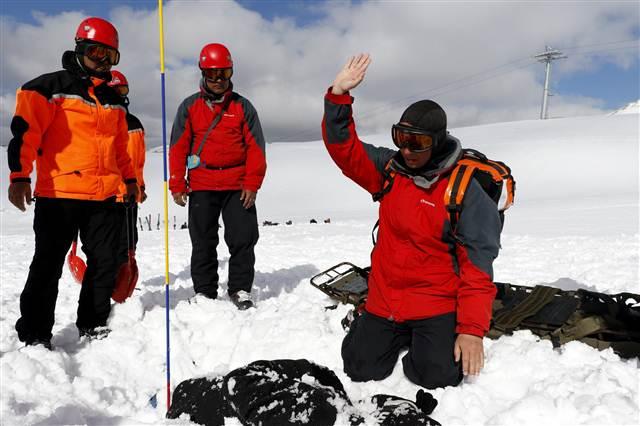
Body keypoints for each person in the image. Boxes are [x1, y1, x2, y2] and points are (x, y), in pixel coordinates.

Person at [322, 54, 501, 388]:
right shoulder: (390, 171)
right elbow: (345, 151)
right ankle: (368, 328)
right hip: (385, 297)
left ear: (436, 141)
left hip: (435, 300)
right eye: (400, 138)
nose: (406, 149)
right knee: (359, 367)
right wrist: (338, 97)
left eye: (417, 142)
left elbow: (477, 267)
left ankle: (424, 343)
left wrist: (471, 331)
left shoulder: (463, 189)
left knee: (438, 376)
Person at [7, 17, 138, 348]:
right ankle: (35, 333)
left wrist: (131, 181)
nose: (104, 61)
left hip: (105, 195)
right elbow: (26, 133)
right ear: (79, 48)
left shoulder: (113, 101)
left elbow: (120, 150)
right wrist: (20, 175)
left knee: (105, 262)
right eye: (97, 52)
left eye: (112, 56)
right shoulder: (47, 88)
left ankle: (93, 324)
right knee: (48, 265)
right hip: (59, 192)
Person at [169, 43, 266, 310]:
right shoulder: (189, 107)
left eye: (223, 73)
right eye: (212, 74)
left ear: (230, 72)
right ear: (203, 73)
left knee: (244, 238)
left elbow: (256, 148)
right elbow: (178, 147)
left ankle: (240, 289)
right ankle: (204, 291)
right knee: (202, 240)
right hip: (202, 184)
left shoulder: (243, 107)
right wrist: (177, 183)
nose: (218, 80)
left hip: (238, 185)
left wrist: (252, 183)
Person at [108, 70, 147, 270]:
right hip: (107, 196)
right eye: (113, 91)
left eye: (122, 90)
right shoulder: (103, 123)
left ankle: (123, 278)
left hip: (130, 194)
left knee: (129, 240)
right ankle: (108, 279)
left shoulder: (135, 124)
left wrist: (141, 186)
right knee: (108, 242)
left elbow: (137, 160)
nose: (119, 96)